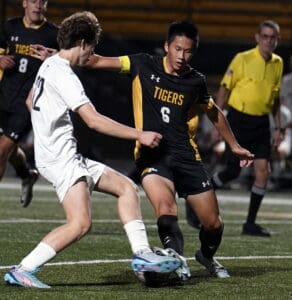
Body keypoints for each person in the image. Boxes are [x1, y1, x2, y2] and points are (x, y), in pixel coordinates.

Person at [3, 11, 182, 289]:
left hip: (61, 155)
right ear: (84, 43)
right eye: (93, 48)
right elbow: (94, 120)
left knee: (126, 187)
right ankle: (23, 269)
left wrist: (46, 129)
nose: (92, 54)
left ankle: (142, 254)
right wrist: (140, 134)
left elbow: (29, 101)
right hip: (60, 160)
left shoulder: (49, 64)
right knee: (80, 224)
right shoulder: (64, 74)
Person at [85, 20, 254, 280]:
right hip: (152, 155)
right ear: (167, 46)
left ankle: (206, 256)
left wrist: (235, 147)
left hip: (187, 156)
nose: (182, 56)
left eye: (188, 51)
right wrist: (64, 54)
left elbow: (214, 113)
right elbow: (96, 61)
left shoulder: (195, 81)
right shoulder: (141, 64)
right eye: (177, 49)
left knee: (213, 224)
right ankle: (176, 260)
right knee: (166, 208)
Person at [187, 20, 284, 237]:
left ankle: (250, 223)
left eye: (273, 37)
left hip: (261, 124)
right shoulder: (242, 58)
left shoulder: (278, 63)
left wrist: (278, 126)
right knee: (232, 171)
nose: (269, 40)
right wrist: (216, 119)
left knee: (263, 172)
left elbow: (275, 98)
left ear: (278, 40)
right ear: (257, 38)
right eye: (265, 36)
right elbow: (224, 88)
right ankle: (196, 197)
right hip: (239, 120)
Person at [0, 0, 58, 207]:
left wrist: (55, 58)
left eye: (43, 1)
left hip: (27, 103)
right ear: (24, 3)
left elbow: (70, 63)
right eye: (33, 1)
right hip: (3, 97)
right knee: (9, 150)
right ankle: (27, 175)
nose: (38, 5)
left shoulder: (54, 34)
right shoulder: (9, 27)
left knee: (1, 150)